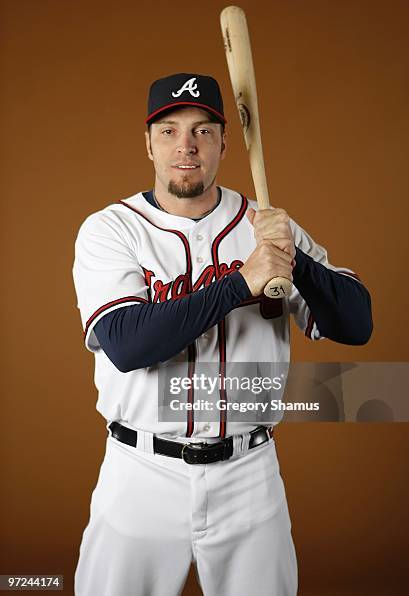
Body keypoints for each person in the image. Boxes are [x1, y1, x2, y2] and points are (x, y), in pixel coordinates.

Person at [72, 73, 372, 596]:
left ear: (224, 143)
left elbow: (357, 326)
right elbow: (127, 344)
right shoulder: (111, 229)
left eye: (202, 131)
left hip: (249, 473)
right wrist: (241, 283)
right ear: (147, 143)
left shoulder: (268, 225)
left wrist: (295, 258)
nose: (185, 146)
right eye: (168, 131)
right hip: (140, 472)